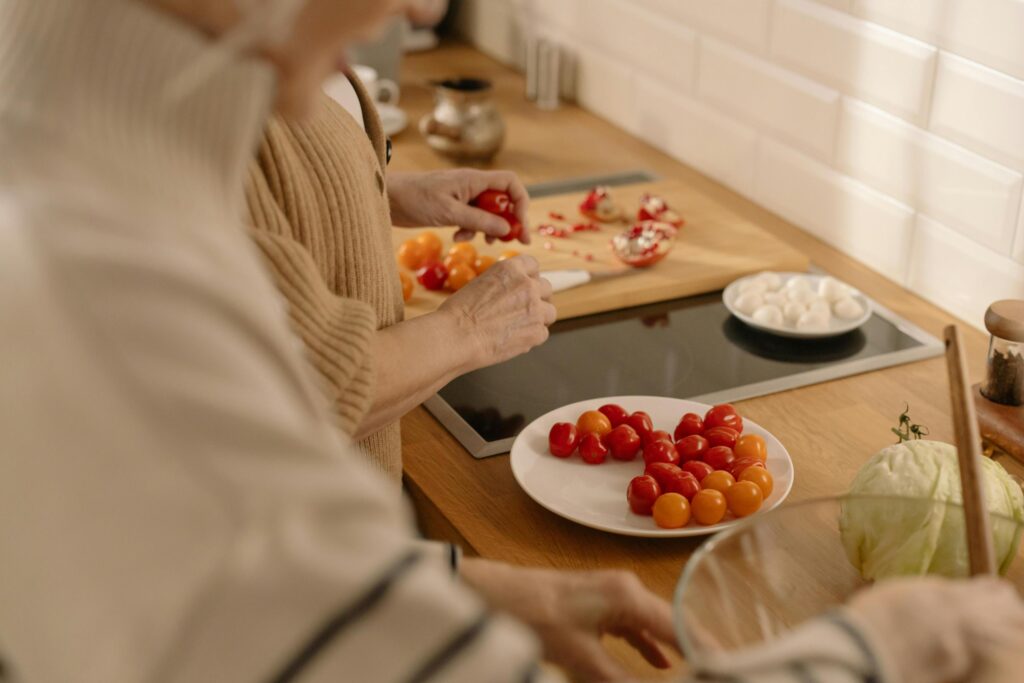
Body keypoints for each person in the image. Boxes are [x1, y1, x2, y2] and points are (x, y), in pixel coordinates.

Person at [2, 1, 1024, 682]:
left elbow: (231, 579)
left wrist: (455, 586)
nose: (415, 16)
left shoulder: (81, 116)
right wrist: (879, 644)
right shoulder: (94, 242)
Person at [245, 83, 552, 480]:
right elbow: (302, 395)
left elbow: (265, 183)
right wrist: (470, 329)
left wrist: (375, 189)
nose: (420, 17)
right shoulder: (210, 99)